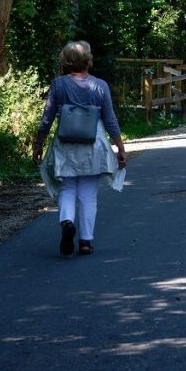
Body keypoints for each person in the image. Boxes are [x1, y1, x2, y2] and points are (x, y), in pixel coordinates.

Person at [33, 41, 127, 256]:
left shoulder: (58, 85)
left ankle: (67, 222)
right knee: (88, 194)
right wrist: (120, 148)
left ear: (67, 62)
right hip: (93, 146)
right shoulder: (100, 86)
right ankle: (85, 241)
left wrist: (38, 144)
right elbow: (110, 120)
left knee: (67, 188)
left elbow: (46, 119)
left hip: (65, 145)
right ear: (88, 61)